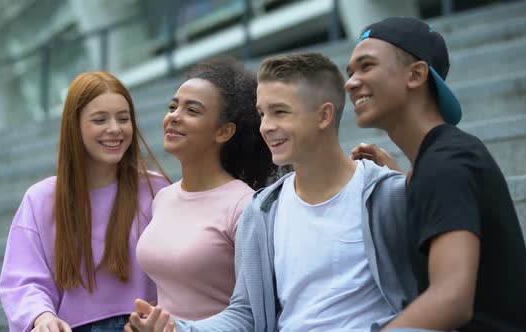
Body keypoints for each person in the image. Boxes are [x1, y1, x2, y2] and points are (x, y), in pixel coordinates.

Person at [126, 52, 417, 332]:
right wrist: (178, 329)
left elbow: (431, 291)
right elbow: (246, 314)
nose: (266, 126)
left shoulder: (387, 194)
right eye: (262, 114)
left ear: (324, 115)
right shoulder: (262, 210)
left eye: (280, 112)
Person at [345, 17, 526, 331]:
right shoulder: (435, 161)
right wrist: (403, 175)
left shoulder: (448, 162)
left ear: (416, 75)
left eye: (366, 66)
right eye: (350, 72)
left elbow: (451, 299)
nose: (351, 82)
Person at [0, 71, 171, 332]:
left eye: (123, 119)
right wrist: (42, 317)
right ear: (74, 125)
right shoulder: (40, 198)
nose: (115, 129)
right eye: (100, 119)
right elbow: (23, 280)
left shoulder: (157, 189)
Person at [133, 56, 278, 322]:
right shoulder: (163, 198)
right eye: (173, 107)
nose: (174, 117)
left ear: (223, 132)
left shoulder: (244, 205)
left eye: (192, 110)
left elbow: (255, 310)